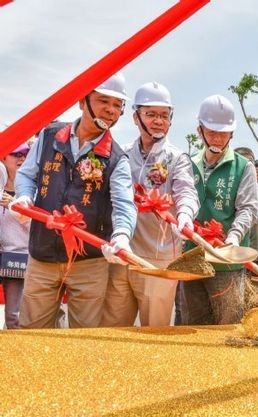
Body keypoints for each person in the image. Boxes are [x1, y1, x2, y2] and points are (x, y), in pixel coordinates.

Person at [11, 72, 137, 328]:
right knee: (31, 333)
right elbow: (26, 176)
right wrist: (24, 197)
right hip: (42, 255)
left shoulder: (116, 159)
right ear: (83, 101)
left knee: (83, 341)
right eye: (104, 101)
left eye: (117, 105)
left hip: (89, 263)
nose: (111, 110)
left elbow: (124, 204)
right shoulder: (49, 136)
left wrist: (122, 235)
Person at [101, 82, 199, 327]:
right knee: (113, 327)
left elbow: (186, 191)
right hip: (123, 253)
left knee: (154, 330)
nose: (158, 121)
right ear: (136, 117)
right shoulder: (121, 154)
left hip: (159, 259)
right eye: (151, 114)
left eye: (164, 116)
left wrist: (185, 215)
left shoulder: (177, 158)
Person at [181, 95, 257, 325]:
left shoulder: (243, 167)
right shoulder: (187, 163)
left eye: (223, 133)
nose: (217, 138)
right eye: (211, 132)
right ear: (200, 130)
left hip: (227, 262)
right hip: (192, 258)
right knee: (193, 323)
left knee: (229, 323)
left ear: (232, 134)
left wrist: (233, 237)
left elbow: (248, 208)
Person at [0, 143, 31, 328]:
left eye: (25, 154)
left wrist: (14, 206)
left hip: (17, 256)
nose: (21, 158)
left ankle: (15, 354)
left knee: (14, 315)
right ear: (3, 157)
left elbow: (37, 225)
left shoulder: (29, 189)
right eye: (16, 153)